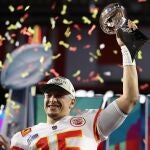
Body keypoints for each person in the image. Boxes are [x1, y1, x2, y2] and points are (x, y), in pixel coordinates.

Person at [10, 20, 139, 150]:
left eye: (59, 95)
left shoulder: (89, 122)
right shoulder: (23, 137)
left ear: (72, 102)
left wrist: (127, 50)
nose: (52, 99)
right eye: (49, 95)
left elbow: (130, 99)